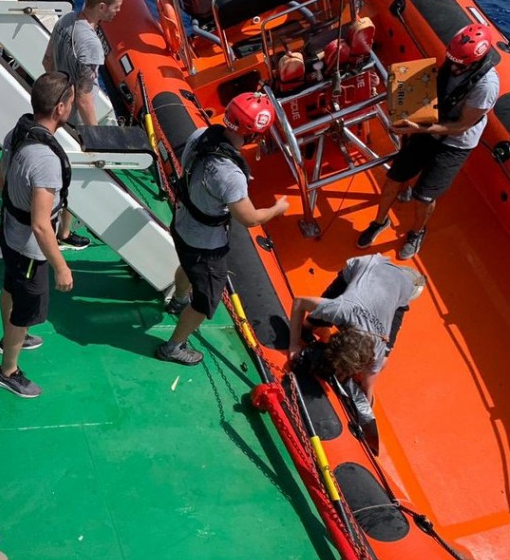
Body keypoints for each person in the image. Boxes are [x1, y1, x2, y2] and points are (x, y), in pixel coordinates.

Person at [158, 93, 291, 366]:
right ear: (255, 134)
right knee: (206, 300)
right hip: (206, 245)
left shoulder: (200, 135)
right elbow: (250, 218)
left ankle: (178, 300)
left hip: (183, 223)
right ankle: (173, 347)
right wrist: (278, 208)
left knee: (187, 264)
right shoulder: (230, 175)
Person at [357, 23, 499, 259]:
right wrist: (402, 101)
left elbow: (462, 126)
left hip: (456, 142)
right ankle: (379, 222)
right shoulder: (454, 61)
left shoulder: (486, 86)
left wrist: (420, 128)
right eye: (451, 60)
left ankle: (416, 232)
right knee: (394, 178)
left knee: (423, 196)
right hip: (429, 126)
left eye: (459, 65)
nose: (453, 67)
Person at [0, 73, 76, 398]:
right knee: (24, 307)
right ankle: (7, 370)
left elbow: (1, 177)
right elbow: (42, 225)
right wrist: (61, 267)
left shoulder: (20, 130)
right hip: (29, 249)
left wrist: (15, 212)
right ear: (59, 108)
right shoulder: (45, 161)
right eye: (69, 101)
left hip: (10, 234)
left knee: (10, 287)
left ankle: (11, 338)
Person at [41, 0, 124, 251]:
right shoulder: (90, 44)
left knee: (60, 171)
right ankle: (63, 233)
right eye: (116, 8)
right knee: (73, 176)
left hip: (56, 110)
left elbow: (47, 61)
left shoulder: (66, 21)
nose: (117, 12)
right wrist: (95, 137)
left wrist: (59, 98)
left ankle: (63, 229)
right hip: (75, 121)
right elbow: (86, 97)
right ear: (101, 7)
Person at [288, 254, 426, 401]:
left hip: (401, 288)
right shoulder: (341, 310)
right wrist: (294, 345)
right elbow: (299, 302)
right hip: (369, 265)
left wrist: (365, 403)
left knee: (383, 363)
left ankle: (417, 278)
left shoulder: (378, 349)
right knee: (310, 324)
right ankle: (317, 327)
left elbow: (368, 386)